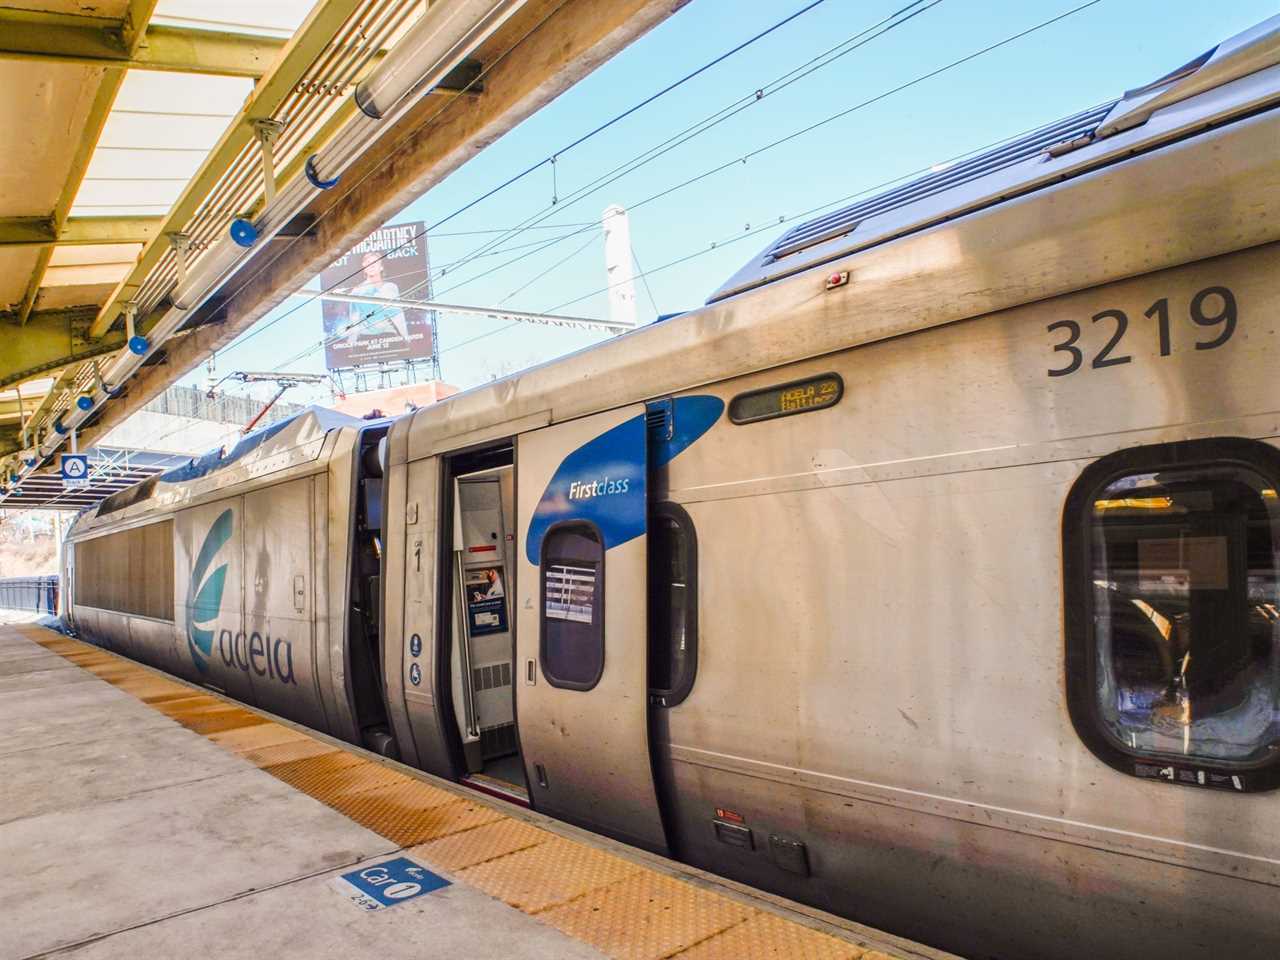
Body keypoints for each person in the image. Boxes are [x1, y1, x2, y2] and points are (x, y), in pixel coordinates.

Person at [341, 251, 409, 344]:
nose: (371, 266)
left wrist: (406, 338)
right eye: (368, 263)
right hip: (366, 338)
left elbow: (398, 315)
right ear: (364, 268)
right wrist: (351, 343)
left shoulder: (391, 287)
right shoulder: (357, 292)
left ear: (381, 267)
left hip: (390, 336)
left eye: (375, 263)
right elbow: (354, 319)